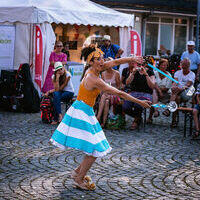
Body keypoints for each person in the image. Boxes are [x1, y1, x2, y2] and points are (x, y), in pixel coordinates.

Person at [50, 46, 151, 190]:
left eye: (101, 58)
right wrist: (140, 102)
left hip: (85, 111)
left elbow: (115, 62)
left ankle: (77, 172)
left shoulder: (96, 69)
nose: (102, 61)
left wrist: (131, 59)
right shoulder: (93, 78)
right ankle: (78, 179)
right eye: (97, 59)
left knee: (95, 147)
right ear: (91, 62)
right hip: (81, 112)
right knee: (95, 148)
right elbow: (119, 93)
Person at [122, 57, 155, 130]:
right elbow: (127, 83)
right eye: (138, 64)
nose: (140, 66)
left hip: (146, 93)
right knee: (125, 107)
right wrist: (133, 73)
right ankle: (138, 117)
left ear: (146, 64)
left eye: (142, 64)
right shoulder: (134, 71)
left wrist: (146, 74)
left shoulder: (150, 72)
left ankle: (136, 121)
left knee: (138, 105)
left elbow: (152, 85)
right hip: (134, 93)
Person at [170, 58, 195, 128]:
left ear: (188, 65)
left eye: (185, 64)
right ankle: (174, 120)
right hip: (178, 93)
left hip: (189, 91)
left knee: (176, 94)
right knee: (177, 99)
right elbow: (175, 82)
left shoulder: (192, 74)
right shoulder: (177, 73)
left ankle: (169, 110)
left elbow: (188, 85)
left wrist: (179, 89)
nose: (183, 66)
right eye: (183, 64)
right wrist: (173, 87)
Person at [147, 59, 172, 123]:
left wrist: (157, 88)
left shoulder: (169, 75)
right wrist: (159, 90)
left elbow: (166, 88)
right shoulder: (155, 73)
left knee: (154, 92)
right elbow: (153, 83)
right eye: (162, 65)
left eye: (165, 65)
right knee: (154, 93)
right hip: (156, 93)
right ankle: (156, 111)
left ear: (167, 66)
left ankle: (152, 115)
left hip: (166, 94)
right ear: (159, 65)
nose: (163, 67)